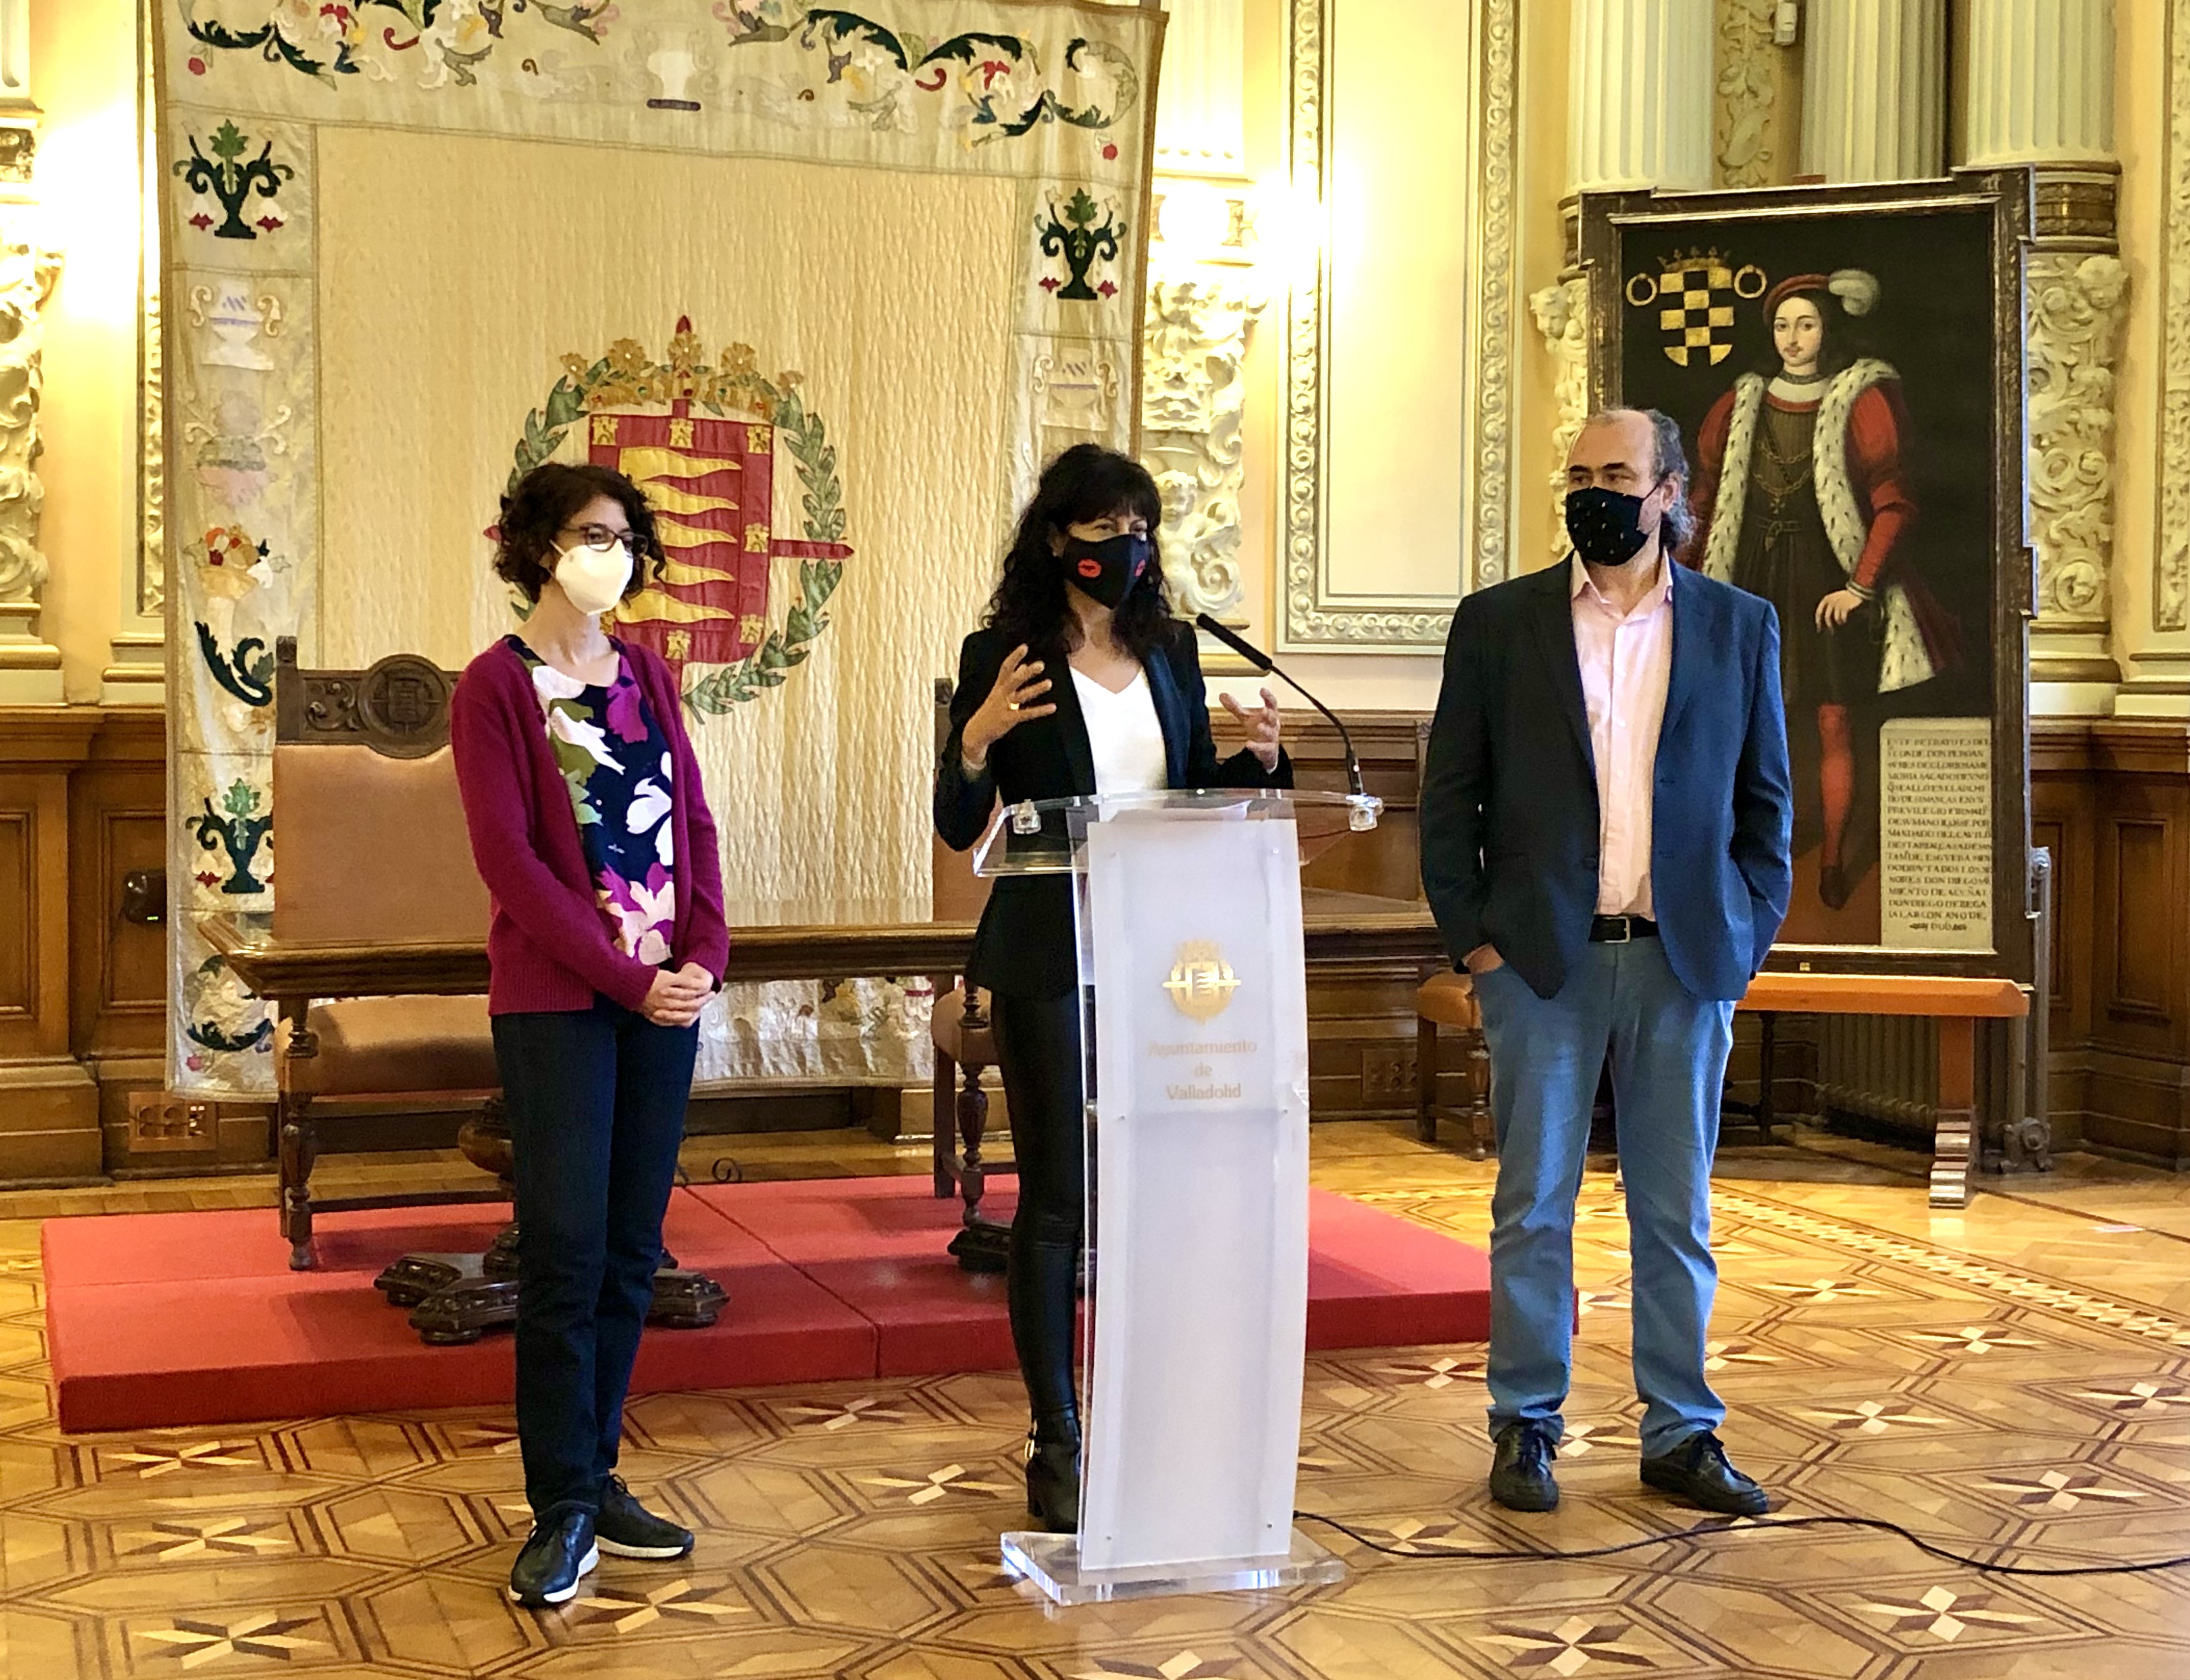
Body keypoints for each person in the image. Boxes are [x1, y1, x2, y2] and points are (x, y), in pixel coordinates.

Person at [1420, 408, 1793, 1517]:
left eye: (1617, 475)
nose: (1595, 492)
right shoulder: (1498, 623)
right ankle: (1525, 1423)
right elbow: (1449, 799)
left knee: (1674, 1213)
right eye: (1579, 473)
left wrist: (1742, 933)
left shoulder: (1739, 626)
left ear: (1668, 492)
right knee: (1531, 1205)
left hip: (1683, 960)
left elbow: (1764, 808)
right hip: (1541, 962)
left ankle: (1680, 1431)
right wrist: (1476, 941)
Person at [934, 444, 1289, 1532]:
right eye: (1102, 529)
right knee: (1059, 1196)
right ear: (1056, 539)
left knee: (1155, 1190)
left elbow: (1189, 794)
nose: (1125, 548)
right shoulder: (1003, 654)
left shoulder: (1168, 649)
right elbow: (958, 821)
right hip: (1050, 951)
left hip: (1164, 957)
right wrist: (976, 738)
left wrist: (1258, 763)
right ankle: (1057, 1432)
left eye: (1139, 528)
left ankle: (1155, 1412)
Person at [451, 461, 729, 1606]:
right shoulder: (494, 686)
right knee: (563, 1255)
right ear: (535, 546)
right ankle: (560, 1503)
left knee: (628, 1252)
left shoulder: (648, 673)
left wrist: (705, 951)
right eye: (587, 533)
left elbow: (692, 819)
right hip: (563, 1002)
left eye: (622, 536)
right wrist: (628, 978)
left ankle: (600, 1472)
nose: (608, 554)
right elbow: (509, 862)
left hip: (664, 999)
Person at [1686, 269, 1956, 911]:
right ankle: (1750, 858)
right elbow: (1703, 499)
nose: (1792, 337)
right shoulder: (1740, 404)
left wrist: (1859, 587)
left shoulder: (1860, 398)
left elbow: (1894, 503)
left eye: (1805, 324)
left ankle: (1832, 859)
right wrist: (1678, 580)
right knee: (1743, 720)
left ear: (1827, 329)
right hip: (1750, 576)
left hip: (1825, 578)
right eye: (1782, 325)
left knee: (1833, 720)